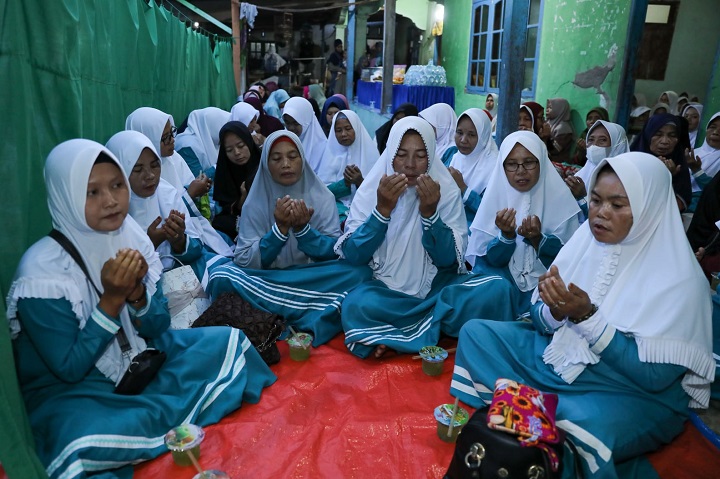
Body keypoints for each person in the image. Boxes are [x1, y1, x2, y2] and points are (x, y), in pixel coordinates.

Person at [6, 139, 275, 479]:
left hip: (138, 356)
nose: (111, 200)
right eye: (93, 192)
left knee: (228, 343)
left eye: (116, 185)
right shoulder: (42, 274)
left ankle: (147, 422)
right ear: (65, 196)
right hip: (76, 390)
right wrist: (110, 302)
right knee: (76, 441)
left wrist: (138, 298)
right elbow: (69, 369)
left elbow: (159, 327)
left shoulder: (127, 236)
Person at [450, 153, 714, 478]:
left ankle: (525, 409)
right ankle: (535, 412)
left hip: (626, 392)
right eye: (595, 200)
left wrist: (588, 318)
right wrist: (554, 313)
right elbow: (539, 315)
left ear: (650, 209)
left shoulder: (681, 280)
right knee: (477, 334)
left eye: (618, 205)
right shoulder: (585, 243)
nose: (601, 214)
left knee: (578, 424)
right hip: (557, 361)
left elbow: (656, 379)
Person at [337, 117, 513, 358]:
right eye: (401, 154)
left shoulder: (446, 190)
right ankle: (431, 326)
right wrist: (382, 211)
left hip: (436, 288)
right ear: (390, 155)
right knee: (355, 305)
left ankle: (394, 333)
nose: (410, 165)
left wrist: (430, 215)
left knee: (496, 288)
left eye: (420, 156)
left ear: (431, 156)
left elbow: (448, 262)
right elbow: (355, 255)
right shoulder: (373, 190)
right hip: (383, 289)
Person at [207, 131, 372, 345]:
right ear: (266, 164)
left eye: (293, 157)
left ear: (302, 159)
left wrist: (304, 230)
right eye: (276, 158)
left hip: (313, 278)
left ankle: (281, 310)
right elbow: (244, 260)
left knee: (361, 273)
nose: (286, 164)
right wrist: (279, 231)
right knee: (221, 276)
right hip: (272, 280)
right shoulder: (255, 202)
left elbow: (334, 253)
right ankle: (314, 309)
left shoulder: (322, 197)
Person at [467, 131, 580, 315]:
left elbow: (570, 261)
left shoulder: (561, 202)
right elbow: (487, 261)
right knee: (495, 289)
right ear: (502, 167)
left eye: (529, 162)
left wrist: (538, 239)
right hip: (504, 284)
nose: (520, 171)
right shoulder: (495, 199)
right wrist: (506, 237)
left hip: (545, 287)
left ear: (541, 162)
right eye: (511, 164)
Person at [107, 131, 232, 280]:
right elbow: (119, 280)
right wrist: (150, 244)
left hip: (185, 273)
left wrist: (179, 241)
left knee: (226, 276)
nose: (150, 175)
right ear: (119, 173)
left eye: (155, 165)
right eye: (138, 169)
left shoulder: (165, 193)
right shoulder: (111, 213)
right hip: (150, 288)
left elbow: (196, 247)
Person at [318, 110, 378, 222]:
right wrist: (345, 183)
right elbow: (322, 193)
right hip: (337, 211)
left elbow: (378, 192)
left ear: (356, 128)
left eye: (348, 128)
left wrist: (360, 181)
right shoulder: (329, 155)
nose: (343, 134)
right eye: (338, 130)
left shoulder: (371, 155)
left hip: (365, 209)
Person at [567, 120, 629, 220]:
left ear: (617, 145)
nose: (594, 145)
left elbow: (608, 220)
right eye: (591, 140)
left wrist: (583, 198)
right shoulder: (581, 174)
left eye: (603, 140)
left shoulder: (624, 181)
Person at [630, 113, 693, 212]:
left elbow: (678, 206)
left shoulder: (679, 163)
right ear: (648, 134)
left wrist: (667, 178)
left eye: (672, 136)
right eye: (658, 134)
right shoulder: (630, 161)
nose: (665, 141)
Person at [447, 108, 499, 227]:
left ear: (483, 136)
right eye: (459, 132)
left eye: (471, 135)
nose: (463, 140)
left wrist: (463, 189)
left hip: (477, 232)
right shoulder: (455, 157)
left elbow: (492, 213)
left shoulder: (494, 167)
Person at [212, 121, 261, 239]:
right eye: (229, 150)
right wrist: (242, 201)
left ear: (248, 141)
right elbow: (226, 207)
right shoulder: (225, 170)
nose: (237, 153)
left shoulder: (264, 163)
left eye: (241, 146)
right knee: (220, 223)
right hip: (241, 217)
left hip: (269, 213)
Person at [174, 107, 231, 179]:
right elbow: (197, 180)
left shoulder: (211, 139)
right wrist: (219, 165)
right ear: (213, 126)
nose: (227, 133)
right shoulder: (187, 146)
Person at [282, 96, 328, 174]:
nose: (291, 127)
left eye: (296, 123)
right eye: (287, 123)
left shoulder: (323, 148)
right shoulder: (282, 143)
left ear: (306, 121)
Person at [545, 98, 575, 164]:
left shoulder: (563, 129)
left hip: (559, 163)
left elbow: (555, 150)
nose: (547, 110)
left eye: (550, 108)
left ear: (559, 109)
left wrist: (545, 137)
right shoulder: (548, 123)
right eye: (547, 107)